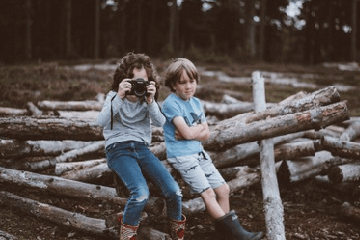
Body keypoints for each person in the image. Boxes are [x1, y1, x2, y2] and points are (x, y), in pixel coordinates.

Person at [161, 58, 263, 240]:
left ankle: (224, 233)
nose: (188, 87)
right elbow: (188, 132)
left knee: (223, 190)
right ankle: (236, 233)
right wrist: (195, 131)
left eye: (191, 81)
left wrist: (194, 131)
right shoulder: (171, 103)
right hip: (182, 156)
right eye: (182, 82)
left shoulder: (196, 103)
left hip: (199, 153)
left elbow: (205, 134)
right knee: (208, 193)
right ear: (173, 84)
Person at [96, 52, 185, 240]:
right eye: (134, 81)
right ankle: (127, 234)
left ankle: (176, 232)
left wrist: (151, 101)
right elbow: (101, 121)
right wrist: (119, 96)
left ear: (149, 81)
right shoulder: (114, 96)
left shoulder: (147, 100)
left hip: (142, 149)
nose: (139, 86)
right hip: (118, 150)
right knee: (140, 194)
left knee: (174, 190)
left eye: (143, 81)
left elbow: (161, 122)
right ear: (124, 80)